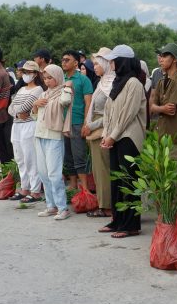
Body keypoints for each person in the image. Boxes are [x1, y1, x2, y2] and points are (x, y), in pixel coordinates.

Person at [98, 45, 147, 238]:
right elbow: (109, 112)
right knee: (117, 181)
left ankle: (131, 225)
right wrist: (106, 134)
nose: (111, 64)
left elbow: (128, 114)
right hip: (115, 137)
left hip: (129, 138)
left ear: (123, 61)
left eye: (113, 60)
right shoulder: (118, 82)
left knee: (129, 180)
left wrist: (112, 135)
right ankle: (118, 220)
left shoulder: (134, 83)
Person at [32, 64, 73, 220]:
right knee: (43, 174)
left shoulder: (63, 92)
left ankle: (63, 208)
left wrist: (67, 86)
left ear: (58, 77)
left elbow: (65, 102)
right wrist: (36, 105)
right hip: (40, 135)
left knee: (54, 174)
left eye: (50, 78)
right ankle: (51, 205)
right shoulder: (44, 94)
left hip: (54, 137)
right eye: (45, 78)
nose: (47, 81)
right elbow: (35, 116)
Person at [83, 48, 115, 217]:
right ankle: (103, 203)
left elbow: (111, 113)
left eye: (97, 63)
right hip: (95, 128)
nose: (94, 67)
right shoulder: (102, 82)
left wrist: (92, 125)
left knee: (103, 169)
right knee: (98, 169)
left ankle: (107, 206)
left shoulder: (112, 83)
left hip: (103, 129)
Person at [8, 61, 45, 205]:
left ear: (35, 74)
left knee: (31, 158)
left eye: (28, 72)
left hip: (29, 125)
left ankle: (35, 191)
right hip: (17, 125)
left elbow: (24, 106)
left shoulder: (38, 90)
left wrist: (18, 111)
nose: (25, 75)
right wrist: (18, 114)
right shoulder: (22, 89)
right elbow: (11, 109)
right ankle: (25, 188)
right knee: (20, 158)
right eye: (24, 72)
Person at [60, 50, 94, 191]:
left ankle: (85, 190)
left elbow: (88, 103)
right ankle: (73, 186)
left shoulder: (83, 80)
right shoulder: (61, 79)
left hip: (77, 122)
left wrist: (86, 123)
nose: (64, 62)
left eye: (67, 60)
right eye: (62, 59)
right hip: (63, 123)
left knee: (79, 156)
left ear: (76, 63)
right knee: (68, 158)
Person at [151, 43, 177, 159]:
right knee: (161, 174)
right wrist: (160, 108)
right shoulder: (161, 81)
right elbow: (151, 106)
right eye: (160, 56)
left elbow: (171, 109)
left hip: (174, 138)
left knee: (173, 173)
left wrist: (157, 108)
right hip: (161, 135)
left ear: (173, 59)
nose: (160, 59)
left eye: (164, 56)